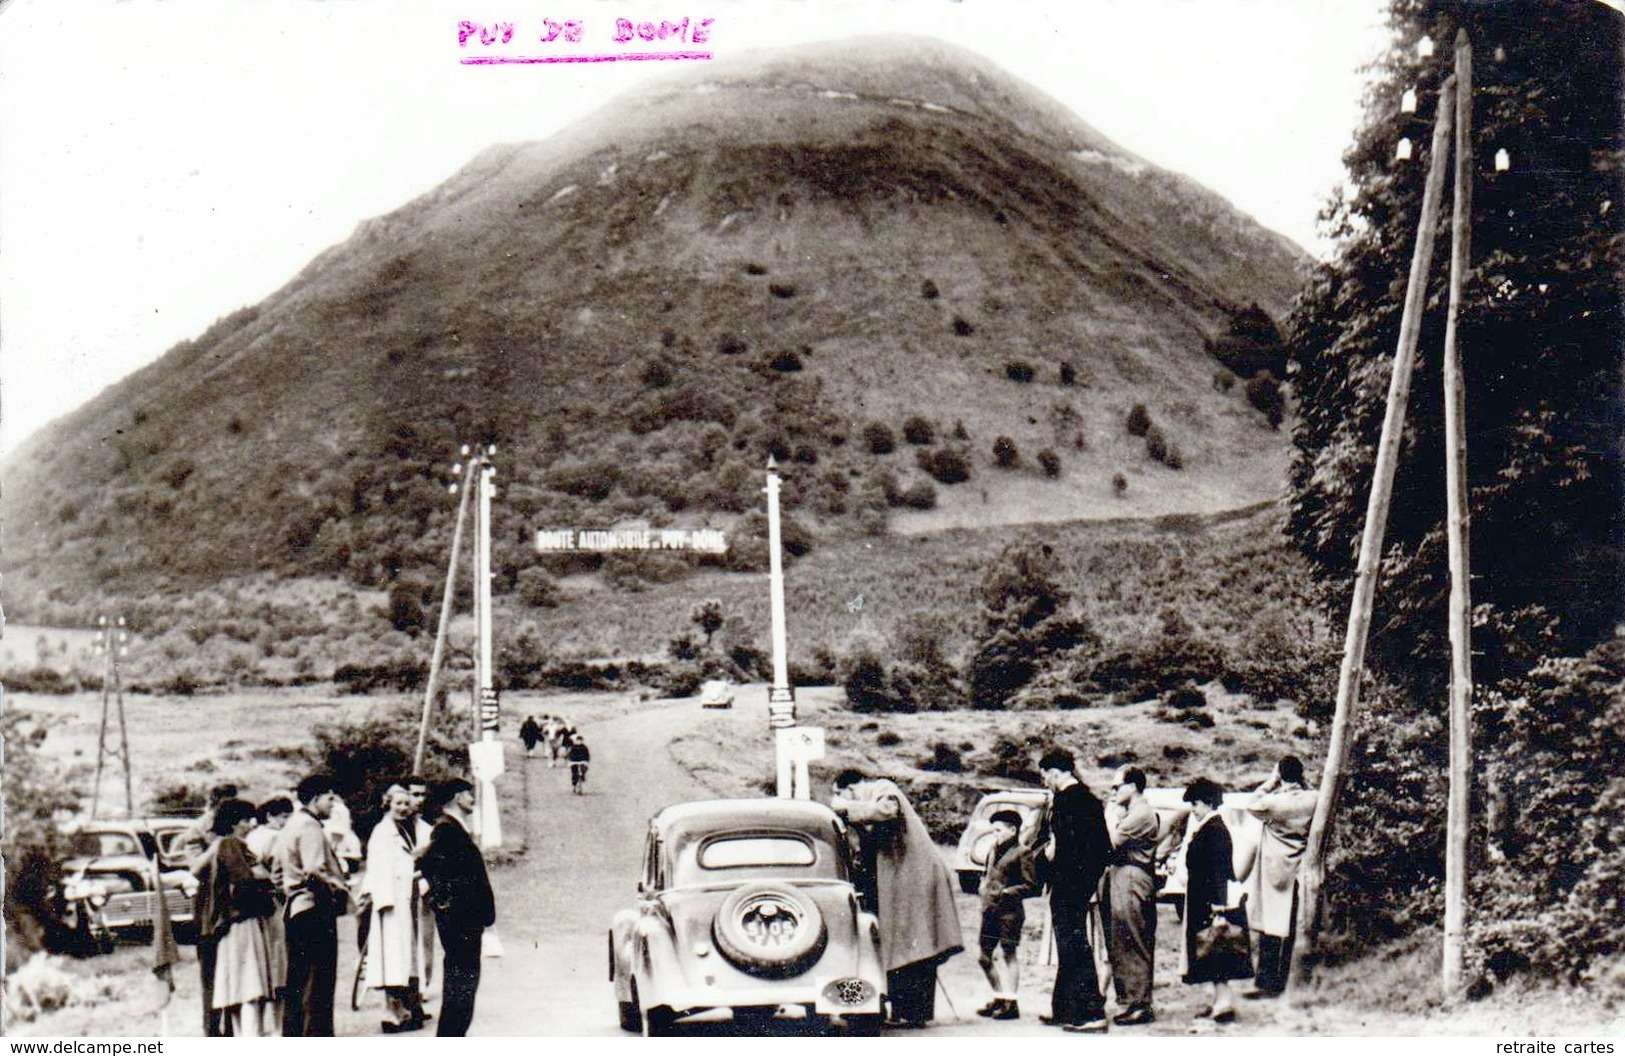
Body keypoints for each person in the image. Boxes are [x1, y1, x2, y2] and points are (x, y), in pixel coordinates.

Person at [830, 769, 963, 1029]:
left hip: (914, 881)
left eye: (840, 793)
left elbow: (887, 809)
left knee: (914, 946)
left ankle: (913, 1013)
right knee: (902, 946)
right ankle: (899, 1010)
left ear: (853, 788)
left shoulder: (882, 788)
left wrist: (846, 807)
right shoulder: (869, 799)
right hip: (901, 881)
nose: (838, 798)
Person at [1036, 748, 1112, 1033]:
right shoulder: (1088, 799)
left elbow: (1064, 848)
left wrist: (1051, 857)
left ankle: (1091, 1013)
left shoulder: (1068, 801)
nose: (1044, 781)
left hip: (1069, 883)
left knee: (1074, 945)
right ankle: (1065, 1008)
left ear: (1055, 773)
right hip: (1079, 882)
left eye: (1044, 776)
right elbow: (1104, 848)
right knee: (1070, 944)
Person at [417, 778, 494, 1037]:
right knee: (460, 989)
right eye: (468, 794)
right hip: (460, 921)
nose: (472, 799)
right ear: (457, 798)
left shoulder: (452, 828)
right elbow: (427, 865)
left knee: (463, 987)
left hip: (464, 920)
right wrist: (446, 902)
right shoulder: (446, 830)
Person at [275, 774, 350, 1037]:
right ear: (316, 798)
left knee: (297, 983)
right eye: (330, 798)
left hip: (295, 910)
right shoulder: (310, 827)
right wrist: (340, 888)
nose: (333, 804)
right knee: (319, 985)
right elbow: (314, 869)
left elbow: (277, 873)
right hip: (314, 910)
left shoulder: (290, 825)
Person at [1239, 755, 1317, 997]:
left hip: (1274, 869)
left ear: (1280, 775)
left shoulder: (1272, 803)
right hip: (1299, 867)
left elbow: (1251, 803)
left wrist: (1270, 782)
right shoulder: (1312, 799)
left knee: (1270, 927)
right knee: (1291, 926)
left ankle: (1266, 982)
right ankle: (1285, 981)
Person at [203, 799, 278, 1037]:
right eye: (246, 820)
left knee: (238, 987)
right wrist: (264, 881)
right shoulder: (231, 844)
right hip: (242, 922)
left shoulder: (224, 844)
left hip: (235, 924)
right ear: (235, 822)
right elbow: (244, 883)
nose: (251, 824)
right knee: (249, 986)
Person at [1180, 778, 1252, 1023]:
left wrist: (1218, 905)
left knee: (1215, 949)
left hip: (1211, 900)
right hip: (1205, 898)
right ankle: (1218, 1001)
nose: (1192, 808)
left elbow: (1220, 870)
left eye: (1195, 804)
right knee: (1209, 949)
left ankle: (1224, 1002)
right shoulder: (1211, 828)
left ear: (1208, 803)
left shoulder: (1215, 830)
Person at [364, 785, 434, 1032]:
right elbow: (378, 868)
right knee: (392, 959)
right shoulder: (382, 833)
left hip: (408, 898)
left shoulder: (404, 830)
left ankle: (402, 1010)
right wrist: (384, 901)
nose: (404, 808)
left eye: (406, 803)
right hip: (391, 904)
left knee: (406, 957)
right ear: (388, 804)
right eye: (398, 803)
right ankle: (391, 1013)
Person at [182, 782, 241, 1037]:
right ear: (215, 803)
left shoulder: (238, 827)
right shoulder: (196, 831)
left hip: (235, 908)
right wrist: (219, 845)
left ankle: (232, 1027)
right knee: (210, 973)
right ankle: (212, 1030)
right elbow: (194, 867)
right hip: (208, 910)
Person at [1104, 766, 1159, 1026]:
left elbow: (1110, 842)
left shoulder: (1140, 814)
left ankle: (1140, 1003)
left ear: (1133, 786)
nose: (1113, 791)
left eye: (1117, 786)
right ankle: (1131, 1001)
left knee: (1133, 937)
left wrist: (1112, 814)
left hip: (1132, 875)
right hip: (1122, 874)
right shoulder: (1132, 812)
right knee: (1122, 940)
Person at [974, 809, 1035, 1021]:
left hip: (1010, 912)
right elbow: (986, 873)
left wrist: (1007, 892)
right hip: (989, 910)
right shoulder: (992, 849)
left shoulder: (1023, 852)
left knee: (1009, 954)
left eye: (998, 830)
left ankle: (1011, 1003)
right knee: (984, 957)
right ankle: (999, 996)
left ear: (1012, 830)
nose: (995, 834)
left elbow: (1030, 885)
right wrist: (984, 886)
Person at [245, 796, 293, 1028]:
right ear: (270, 817)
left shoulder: (252, 836)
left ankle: (262, 1025)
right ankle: (278, 1024)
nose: (287, 821)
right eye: (283, 816)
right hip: (274, 904)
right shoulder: (274, 837)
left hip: (257, 905)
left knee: (265, 961)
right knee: (278, 962)